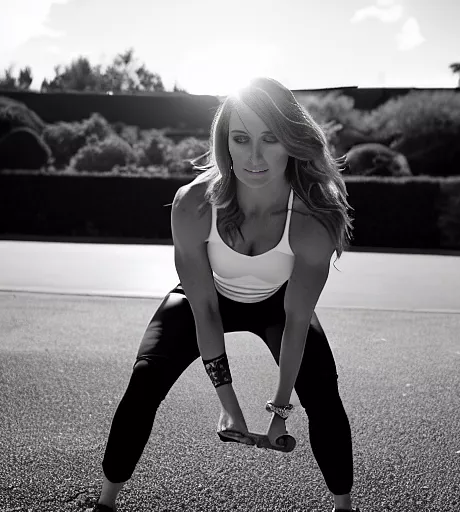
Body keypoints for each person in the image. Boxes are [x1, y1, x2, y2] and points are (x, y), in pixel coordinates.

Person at [92, 77, 359, 512]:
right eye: (241, 139)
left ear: (292, 141)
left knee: (323, 393)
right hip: (207, 299)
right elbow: (205, 312)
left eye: (270, 139)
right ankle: (105, 501)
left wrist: (279, 412)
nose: (254, 157)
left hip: (278, 305)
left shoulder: (314, 219)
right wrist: (229, 406)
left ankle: (344, 504)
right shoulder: (193, 204)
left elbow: (295, 321)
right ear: (225, 143)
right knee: (145, 379)